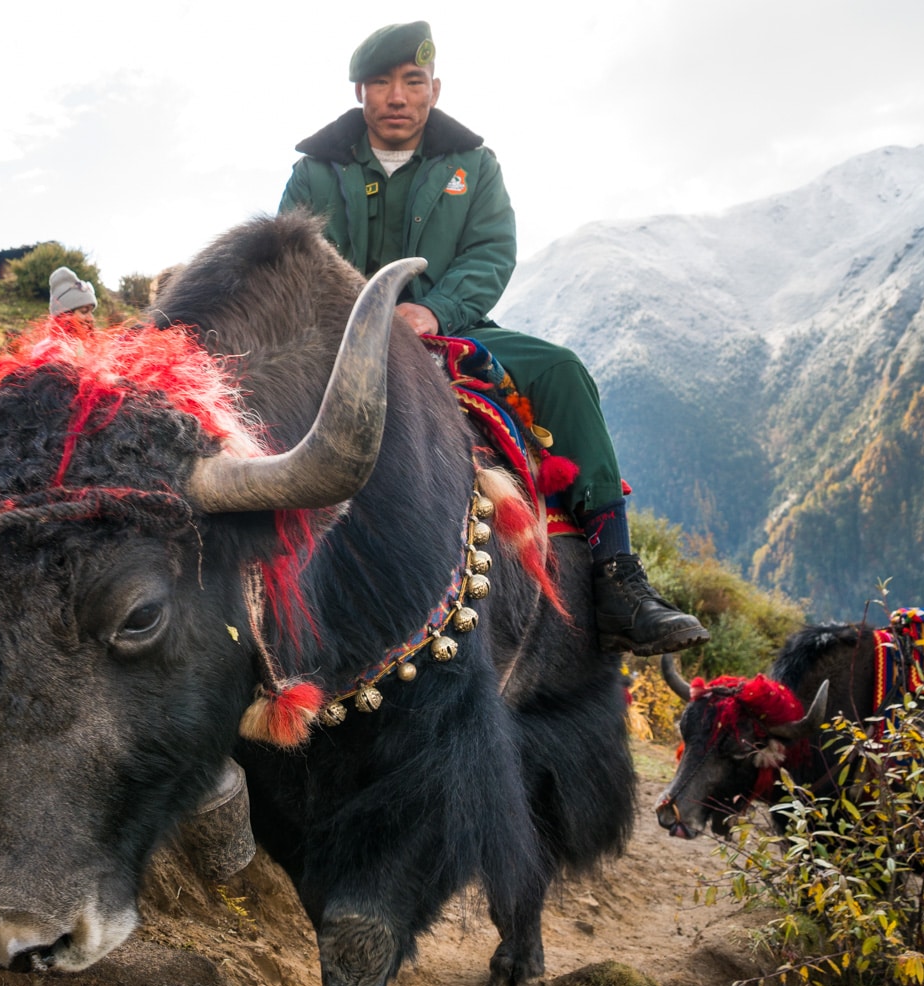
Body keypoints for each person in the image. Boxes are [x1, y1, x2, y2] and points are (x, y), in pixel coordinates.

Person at [279, 21, 708, 656]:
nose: (396, 96)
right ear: (360, 94)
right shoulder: (315, 172)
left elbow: (489, 253)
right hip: (338, 340)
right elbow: (292, 259)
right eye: (380, 83)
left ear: (434, 89)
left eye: (412, 82)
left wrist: (435, 313)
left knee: (560, 369)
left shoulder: (472, 165)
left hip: (454, 329)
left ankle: (619, 579)